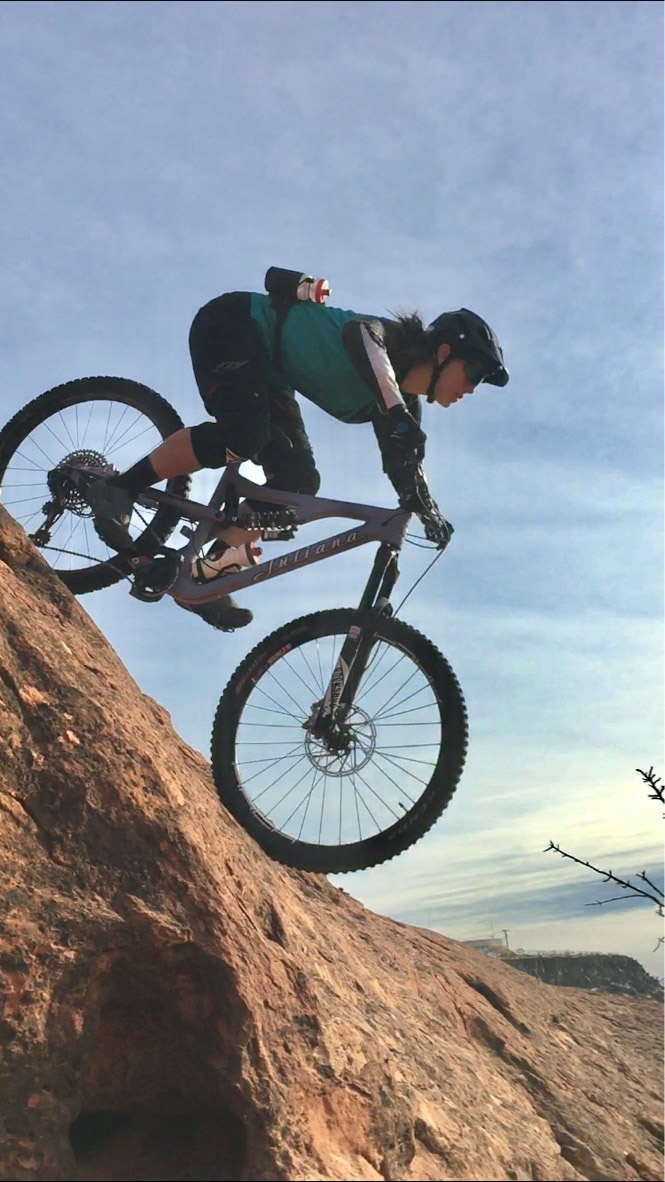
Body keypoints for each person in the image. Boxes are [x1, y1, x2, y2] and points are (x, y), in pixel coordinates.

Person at [86, 271, 509, 630]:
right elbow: (361, 336)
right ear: (443, 352)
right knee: (244, 434)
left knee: (297, 484)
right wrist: (397, 413)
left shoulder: (399, 402)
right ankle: (121, 487)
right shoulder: (387, 342)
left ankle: (201, 573)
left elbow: (405, 468)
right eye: (473, 373)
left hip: (270, 373)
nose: (472, 388)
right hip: (233, 324)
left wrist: (427, 509)